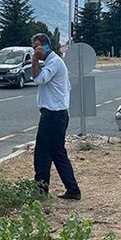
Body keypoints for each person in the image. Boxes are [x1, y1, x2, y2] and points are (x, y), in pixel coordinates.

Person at [30, 33, 81, 200]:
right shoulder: (54, 62)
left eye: (37, 46)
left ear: (45, 46)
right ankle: (73, 190)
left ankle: (41, 191)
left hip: (53, 114)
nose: (35, 50)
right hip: (57, 114)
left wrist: (34, 60)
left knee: (42, 154)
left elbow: (39, 80)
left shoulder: (54, 62)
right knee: (57, 153)